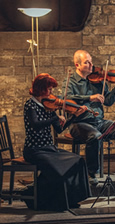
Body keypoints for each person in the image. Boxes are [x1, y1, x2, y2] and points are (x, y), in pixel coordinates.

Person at [62, 50, 115, 185]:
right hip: (79, 123)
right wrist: (90, 97)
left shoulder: (98, 81)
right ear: (77, 65)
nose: (91, 65)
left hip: (99, 121)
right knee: (95, 136)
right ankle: (91, 173)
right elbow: (67, 99)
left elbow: (108, 101)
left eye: (91, 62)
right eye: (87, 62)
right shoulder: (71, 81)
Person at [22, 73, 91, 211]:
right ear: (41, 89)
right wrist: (54, 119)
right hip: (34, 150)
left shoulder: (50, 105)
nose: (52, 92)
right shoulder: (30, 105)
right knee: (58, 169)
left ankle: (72, 199)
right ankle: (50, 202)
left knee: (78, 160)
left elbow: (59, 129)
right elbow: (35, 124)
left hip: (49, 149)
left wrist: (73, 117)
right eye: (50, 89)